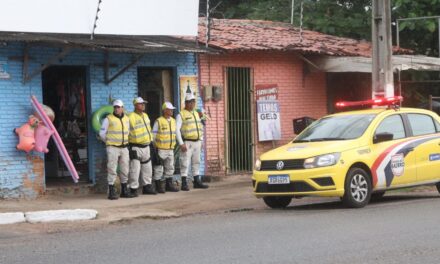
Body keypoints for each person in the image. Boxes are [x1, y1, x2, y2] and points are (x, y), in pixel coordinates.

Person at [99, 99, 134, 200]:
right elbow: (102, 134)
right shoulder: (108, 119)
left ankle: (124, 190)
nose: (116, 109)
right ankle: (111, 191)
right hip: (113, 147)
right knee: (112, 169)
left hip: (124, 147)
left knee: (125, 169)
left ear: (122, 108)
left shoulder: (127, 119)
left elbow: (129, 131)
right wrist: (109, 142)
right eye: (115, 107)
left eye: (118, 107)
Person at [176, 94, 209, 191]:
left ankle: (196, 181)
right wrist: (181, 143)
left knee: (196, 162)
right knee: (185, 162)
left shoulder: (196, 113)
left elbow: (200, 127)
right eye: (190, 102)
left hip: (197, 142)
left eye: (194, 101)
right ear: (186, 103)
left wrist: (201, 140)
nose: (193, 104)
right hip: (187, 142)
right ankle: (184, 183)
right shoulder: (181, 114)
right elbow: (177, 130)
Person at [128, 97, 156, 196]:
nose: (143, 105)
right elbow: (126, 131)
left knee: (147, 168)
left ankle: (147, 186)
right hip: (135, 146)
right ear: (135, 105)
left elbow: (148, 129)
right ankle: (133, 189)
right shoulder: (130, 117)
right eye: (141, 104)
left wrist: (151, 142)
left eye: (144, 103)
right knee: (135, 169)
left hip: (146, 145)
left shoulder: (145, 115)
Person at [152, 102, 179, 193]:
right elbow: (153, 135)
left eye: (172, 109)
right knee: (159, 168)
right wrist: (155, 147)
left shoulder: (173, 121)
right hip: (161, 148)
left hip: (170, 148)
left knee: (170, 167)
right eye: (170, 109)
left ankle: (169, 185)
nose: (171, 111)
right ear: (164, 110)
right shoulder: (159, 121)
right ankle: (158, 186)